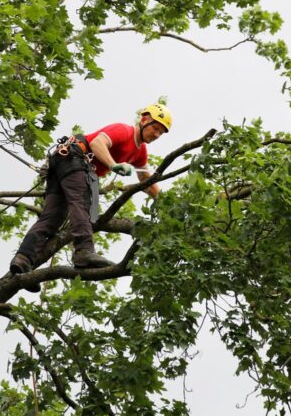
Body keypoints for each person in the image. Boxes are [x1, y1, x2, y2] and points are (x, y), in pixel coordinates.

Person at [9, 103, 172, 289]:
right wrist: (113, 165)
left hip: (66, 164)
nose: (157, 135)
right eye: (155, 128)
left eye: (161, 133)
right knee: (81, 203)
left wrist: (165, 202)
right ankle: (84, 252)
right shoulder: (124, 131)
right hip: (72, 159)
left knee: (53, 217)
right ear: (144, 120)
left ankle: (23, 260)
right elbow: (96, 143)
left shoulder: (140, 152)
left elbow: (145, 179)